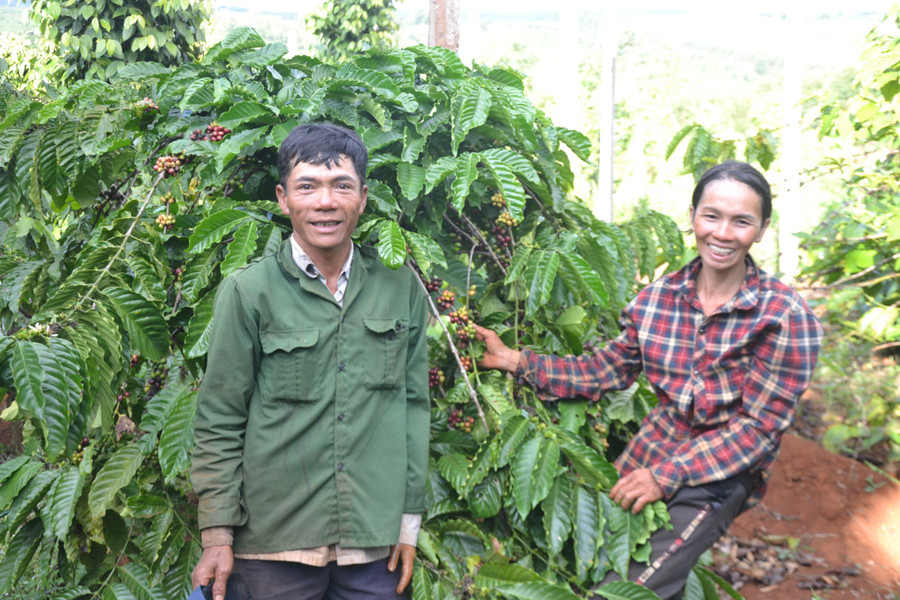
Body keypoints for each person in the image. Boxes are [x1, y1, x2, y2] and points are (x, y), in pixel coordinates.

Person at [475, 161, 823, 600]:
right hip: (651, 453)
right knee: (615, 572)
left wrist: (668, 475)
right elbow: (605, 370)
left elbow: (759, 428)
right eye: (711, 216)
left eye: (741, 222)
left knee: (620, 591)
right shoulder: (658, 299)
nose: (722, 233)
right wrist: (517, 361)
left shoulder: (785, 316)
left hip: (721, 474)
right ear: (693, 215)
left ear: (762, 229)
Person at [190, 123, 430, 600]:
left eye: (342, 186)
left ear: (362, 198)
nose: (325, 202)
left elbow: (414, 408)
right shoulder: (248, 292)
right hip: (272, 547)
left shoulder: (401, 288)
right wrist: (216, 534)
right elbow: (219, 418)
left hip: (373, 546)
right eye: (308, 187)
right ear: (283, 198)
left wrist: (408, 523)